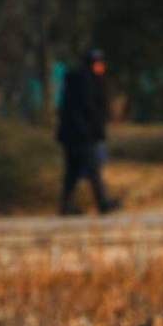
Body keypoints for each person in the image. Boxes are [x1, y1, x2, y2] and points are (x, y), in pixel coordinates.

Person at [56, 48, 121, 215]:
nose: (101, 66)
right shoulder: (87, 82)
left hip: (71, 134)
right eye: (98, 63)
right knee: (93, 169)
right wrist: (95, 130)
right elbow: (89, 109)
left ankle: (66, 206)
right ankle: (103, 203)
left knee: (73, 171)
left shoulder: (75, 80)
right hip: (83, 134)